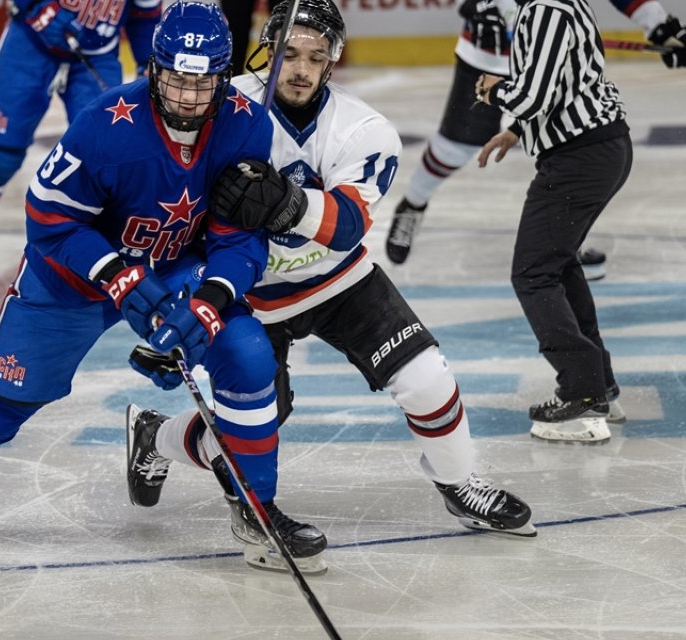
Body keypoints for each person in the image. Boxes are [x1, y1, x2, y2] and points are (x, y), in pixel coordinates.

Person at [0, 3, 323, 558]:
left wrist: (211, 300)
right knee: (0, 404)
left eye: (204, 84)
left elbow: (237, 236)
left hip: (173, 264)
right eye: (176, 80)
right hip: (75, 277)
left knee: (248, 356)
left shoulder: (246, 121)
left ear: (224, 77)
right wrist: (116, 276)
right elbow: (49, 219)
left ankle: (257, 508)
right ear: (154, 69)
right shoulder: (104, 124)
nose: (189, 98)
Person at [125, 0, 537, 570]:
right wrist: (165, 298)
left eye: (316, 57)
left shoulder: (364, 129)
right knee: (252, 424)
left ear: (333, 61)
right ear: (267, 51)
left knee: (427, 379)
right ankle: (157, 438)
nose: (299, 68)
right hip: (242, 295)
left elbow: (345, 227)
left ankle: (460, 482)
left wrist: (286, 203)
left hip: (338, 280)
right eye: (289, 53)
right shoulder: (218, 107)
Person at [384, 0, 686, 278]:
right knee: (459, 145)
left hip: (550, 47)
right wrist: (482, 7)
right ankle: (414, 202)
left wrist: (659, 24)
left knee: (565, 142)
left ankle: (561, 246)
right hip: (490, 53)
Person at [473, 0, 637, 443]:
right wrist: (518, 131)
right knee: (557, 265)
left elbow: (531, 95)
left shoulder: (545, 8)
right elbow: (563, 85)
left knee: (533, 272)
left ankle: (583, 398)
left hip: (580, 158)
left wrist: (493, 89)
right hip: (592, 150)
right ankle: (598, 385)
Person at [0, 0, 162, 280]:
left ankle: (107, 250)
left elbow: (145, 15)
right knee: (1, 156)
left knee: (108, 153)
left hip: (95, 54)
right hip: (30, 44)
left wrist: (148, 61)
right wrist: (34, 7)